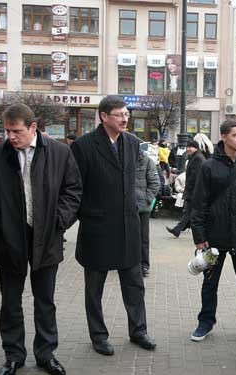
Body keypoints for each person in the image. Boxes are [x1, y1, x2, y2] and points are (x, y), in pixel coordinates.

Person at [0, 103, 82, 375]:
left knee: (45, 300)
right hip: (9, 239)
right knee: (10, 301)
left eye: (16, 131)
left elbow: (73, 190)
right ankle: (13, 355)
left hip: (47, 236)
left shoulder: (59, 152)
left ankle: (46, 354)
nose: (11, 136)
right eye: (7, 130)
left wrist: (59, 221)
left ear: (33, 127)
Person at [71, 96, 156, 356]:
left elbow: (138, 179)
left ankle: (138, 331)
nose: (125, 118)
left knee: (134, 285)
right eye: (119, 114)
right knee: (94, 289)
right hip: (97, 229)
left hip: (128, 228)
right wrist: (87, 214)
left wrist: (138, 203)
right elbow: (74, 188)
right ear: (104, 116)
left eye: (126, 114)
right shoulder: (84, 146)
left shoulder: (132, 144)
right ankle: (98, 336)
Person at [190, 119, 236, 343]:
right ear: (223, 136)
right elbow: (198, 204)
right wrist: (200, 238)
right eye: (235, 135)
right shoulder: (208, 166)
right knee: (210, 284)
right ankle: (205, 322)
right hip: (214, 238)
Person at [167, 140, 204, 238]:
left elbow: (196, 176)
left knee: (189, 211)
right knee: (189, 211)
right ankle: (179, 229)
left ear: (196, 148)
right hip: (192, 190)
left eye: (190, 147)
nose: (188, 149)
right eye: (187, 147)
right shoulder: (194, 157)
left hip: (194, 191)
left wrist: (191, 189)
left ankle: (178, 229)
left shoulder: (198, 158)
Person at [135, 148, 160, 277]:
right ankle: (126, 263)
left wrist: (146, 200)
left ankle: (144, 265)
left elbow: (155, 183)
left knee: (143, 238)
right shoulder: (122, 159)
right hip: (125, 207)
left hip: (142, 208)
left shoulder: (147, 161)